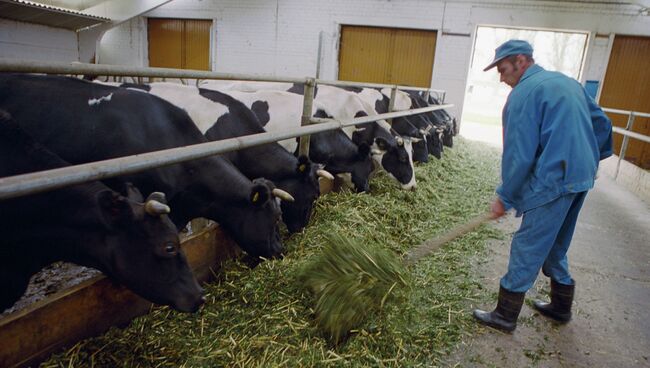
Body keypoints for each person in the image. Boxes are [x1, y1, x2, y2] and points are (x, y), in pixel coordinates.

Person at [473, 39, 613, 332]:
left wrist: (505, 196)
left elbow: (519, 155)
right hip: (581, 176)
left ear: (522, 61)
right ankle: (561, 306)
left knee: (528, 243)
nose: (501, 77)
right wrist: (589, 157)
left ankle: (505, 314)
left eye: (503, 68)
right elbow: (602, 123)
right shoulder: (568, 83)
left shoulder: (524, 94)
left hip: (554, 178)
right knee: (556, 243)